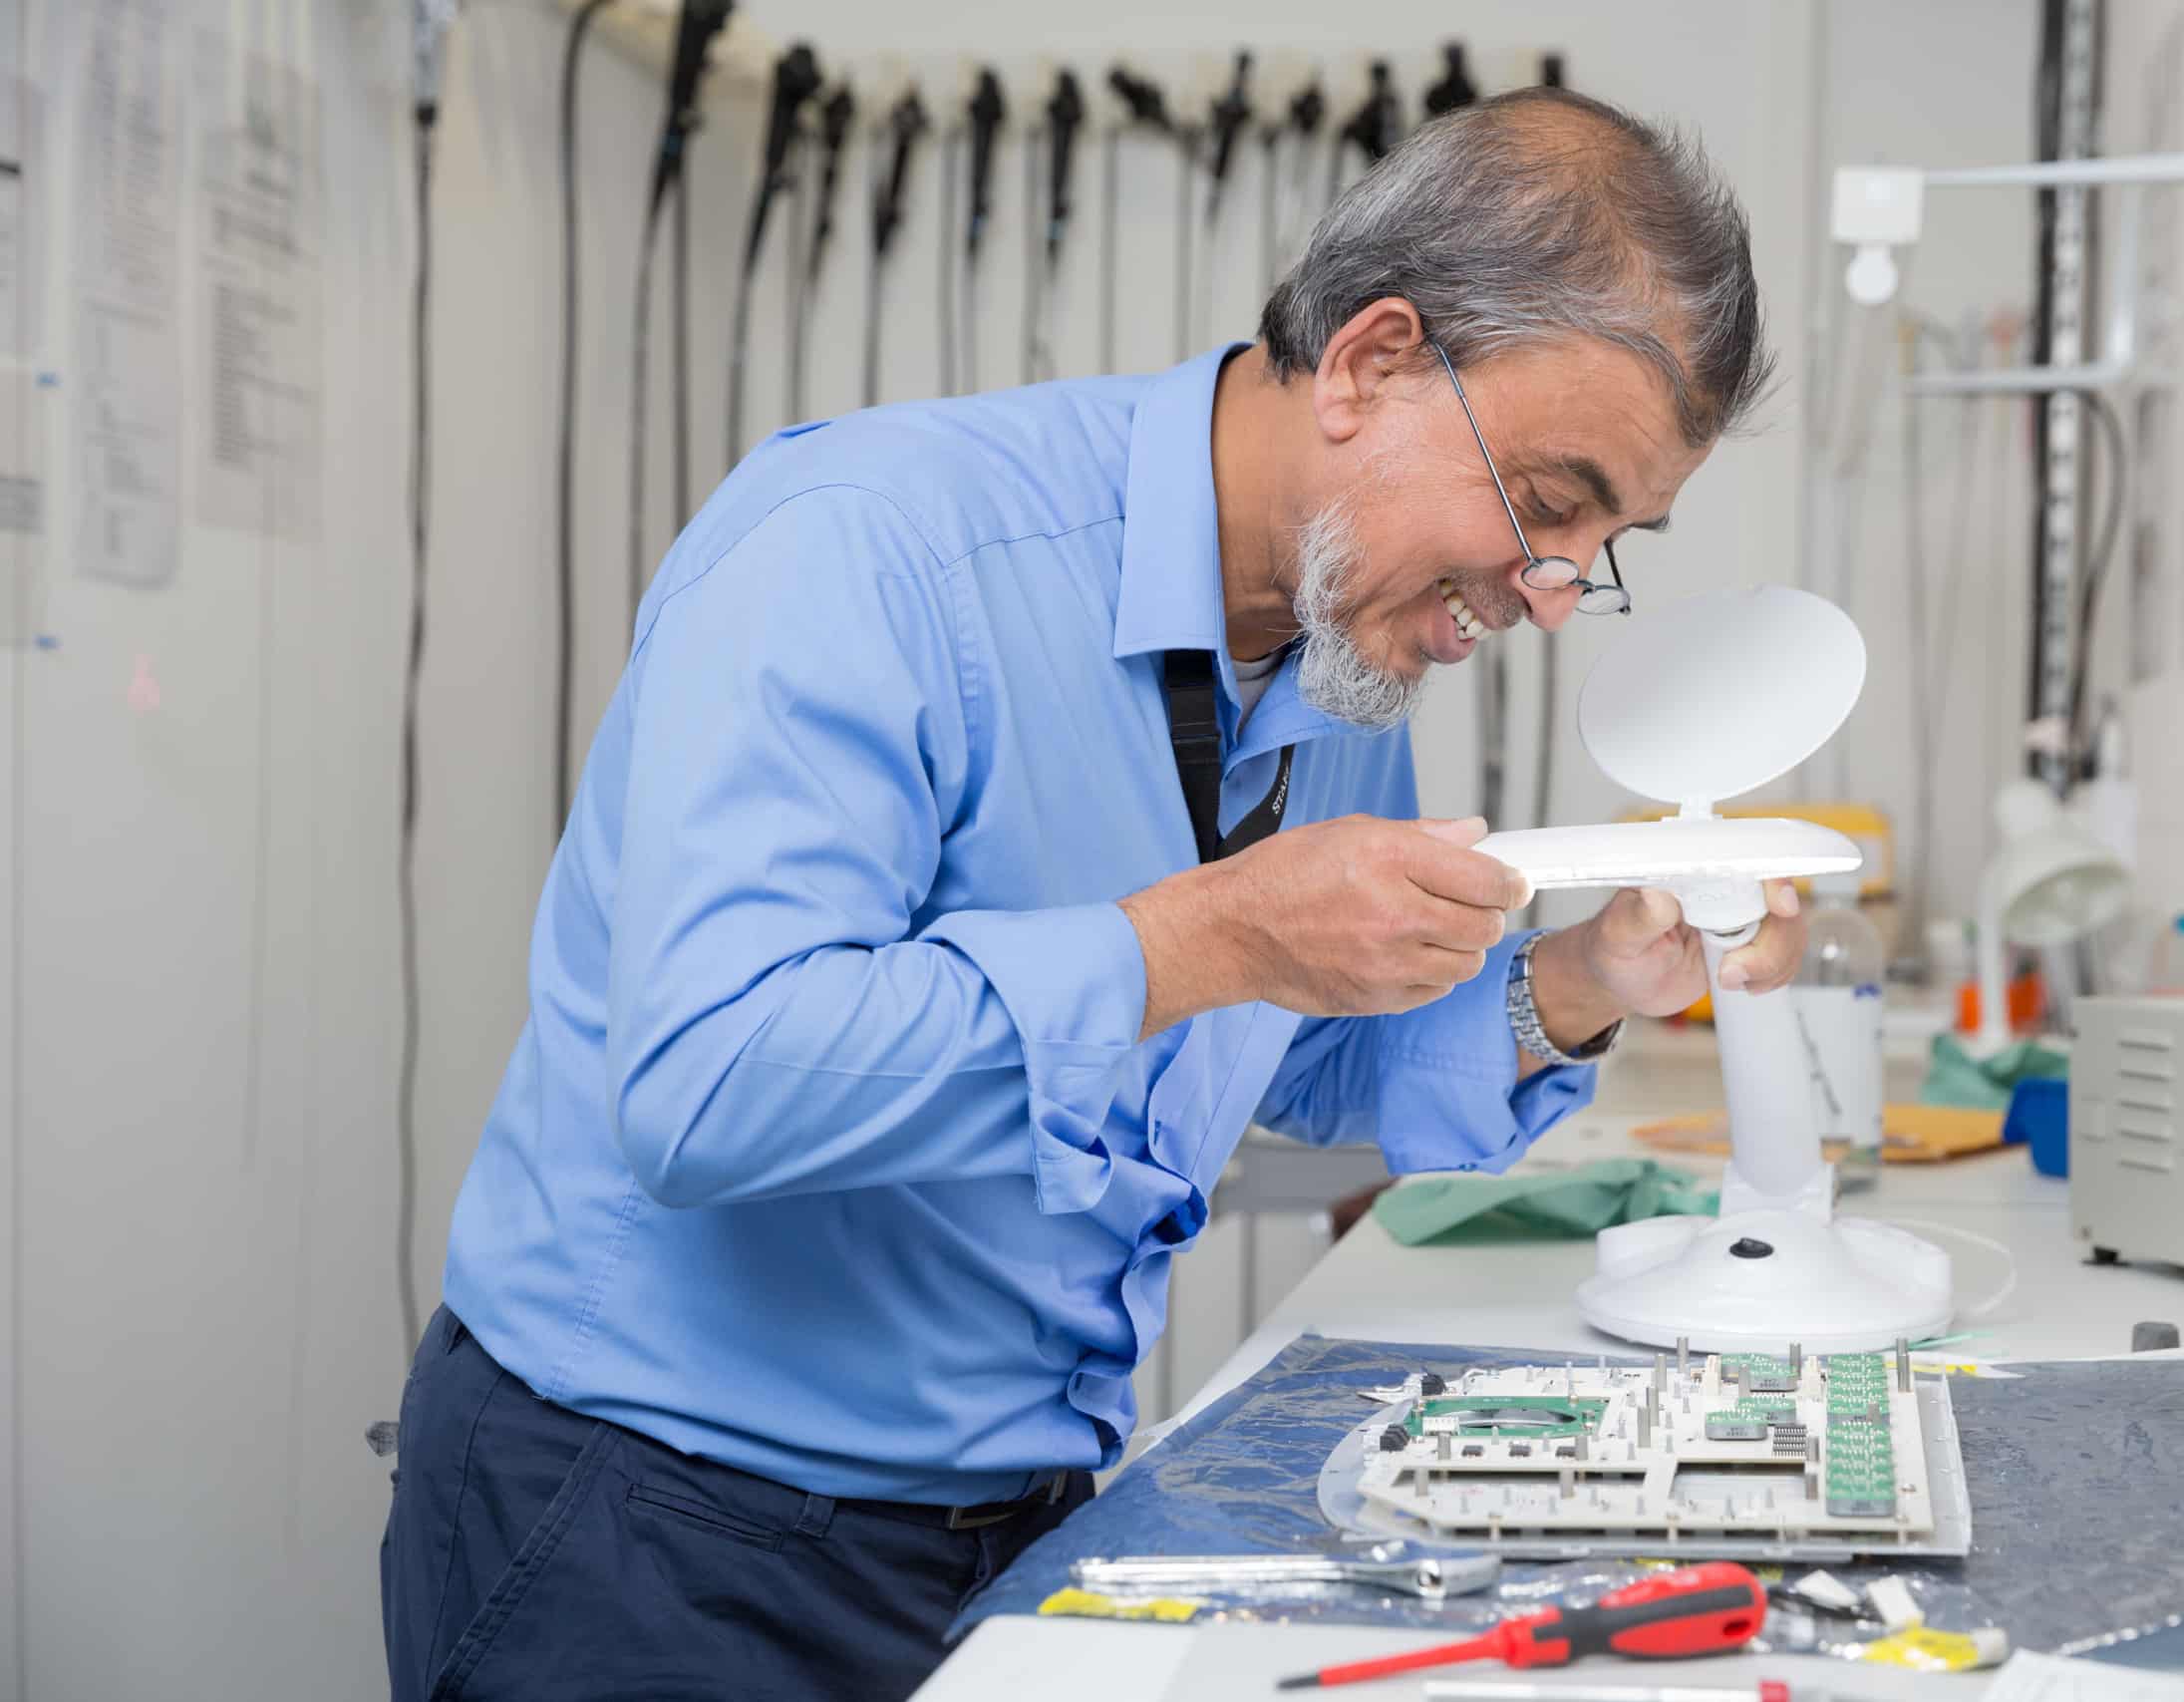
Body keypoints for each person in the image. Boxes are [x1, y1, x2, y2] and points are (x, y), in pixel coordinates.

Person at [382, 86, 1793, 1702]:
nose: (1549, 598)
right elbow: (708, 1086)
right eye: (1547, 506)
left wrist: (1587, 980)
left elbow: (1292, 1041)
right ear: (1372, 362)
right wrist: (1205, 932)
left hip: (1012, 1520)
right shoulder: (866, 548)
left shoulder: (1339, 656)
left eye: (1603, 544)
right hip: (653, 1529)